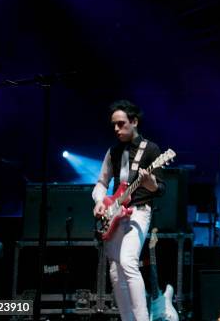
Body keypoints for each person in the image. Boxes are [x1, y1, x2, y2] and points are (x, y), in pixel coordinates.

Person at [91, 100, 165, 321]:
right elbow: (102, 182)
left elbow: (160, 189)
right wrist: (99, 201)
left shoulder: (151, 150)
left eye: (121, 124)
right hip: (114, 213)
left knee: (128, 261)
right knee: (115, 271)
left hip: (139, 212)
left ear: (134, 122)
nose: (116, 129)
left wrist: (149, 181)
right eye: (114, 125)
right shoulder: (113, 151)